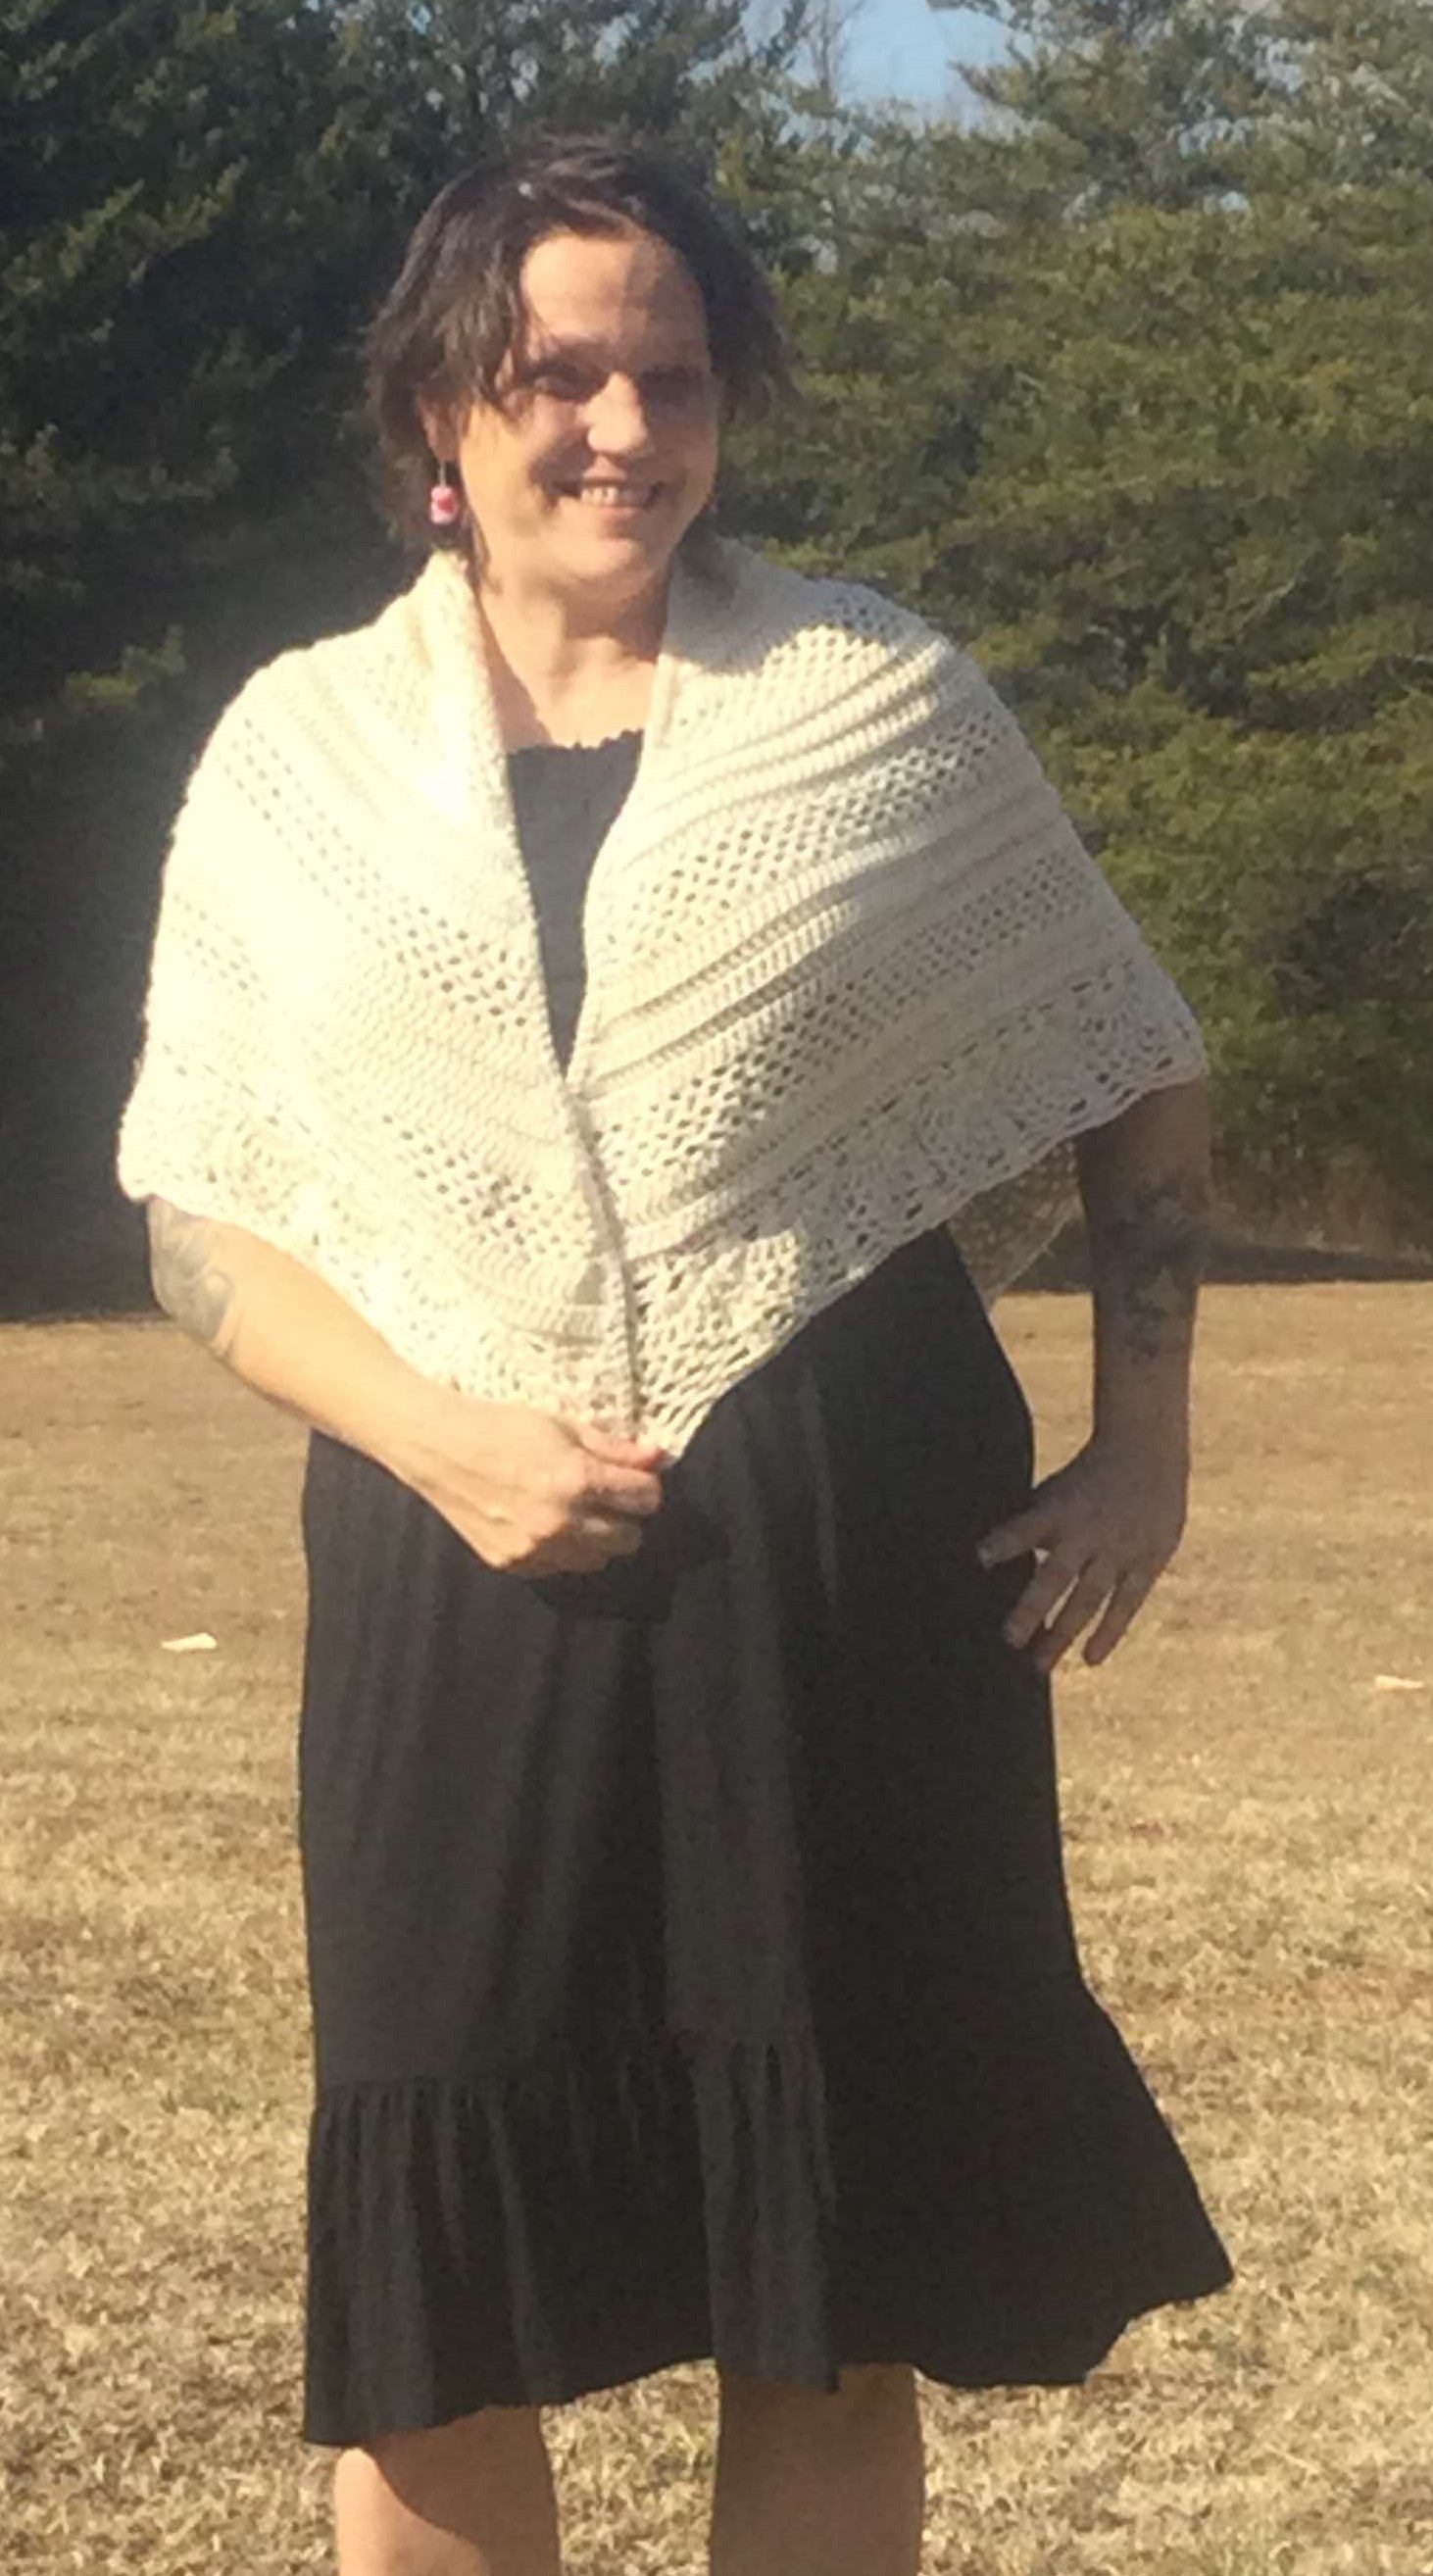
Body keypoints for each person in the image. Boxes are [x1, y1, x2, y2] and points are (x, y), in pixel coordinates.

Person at [116, 131, 1233, 2576]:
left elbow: (1129, 1054)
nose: (622, 428)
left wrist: (1140, 1448)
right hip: (452, 1571)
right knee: (439, 2315)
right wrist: (441, 1438)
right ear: (439, 406)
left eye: (676, 377)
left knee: (821, 2293)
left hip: (840, 1567)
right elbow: (201, 1207)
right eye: (558, 375)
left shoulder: (871, 700)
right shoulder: (301, 756)